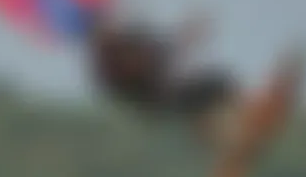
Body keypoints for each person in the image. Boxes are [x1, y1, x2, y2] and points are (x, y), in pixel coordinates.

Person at [85, 8, 241, 148]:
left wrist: (184, 36)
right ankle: (216, 134)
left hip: (161, 89)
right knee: (199, 94)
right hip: (155, 98)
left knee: (215, 84)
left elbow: (158, 49)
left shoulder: (128, 40)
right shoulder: (110, 62)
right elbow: (138, 69)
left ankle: (233, 117)